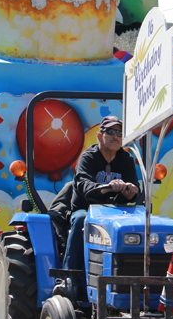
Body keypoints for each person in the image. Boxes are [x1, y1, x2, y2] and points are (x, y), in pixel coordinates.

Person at [52, 116, 139, 301]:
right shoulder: (88, 157)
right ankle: (69, 280)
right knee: (81, 219)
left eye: (120, 133)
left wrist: (131, 191)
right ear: (99, 135)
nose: (116, 136)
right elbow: (83, 186)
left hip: (116, 213)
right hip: (87, 209)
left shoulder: (126, 159)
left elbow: (134, 189)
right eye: (110, 132)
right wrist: (109, 186)